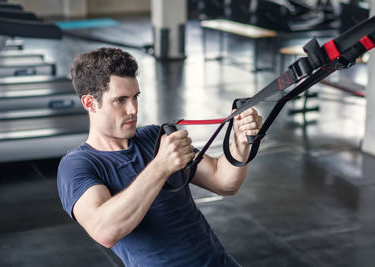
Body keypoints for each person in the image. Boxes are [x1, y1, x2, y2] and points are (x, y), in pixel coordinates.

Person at [57, 47, 263, 266]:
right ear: (90, 103)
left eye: (135, 97)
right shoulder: (78, 166)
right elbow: (105, 230)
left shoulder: (155, 136)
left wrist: (240, 141)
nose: (133, 109)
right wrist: (160, 167)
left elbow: (224, 182)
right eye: (120, 100)